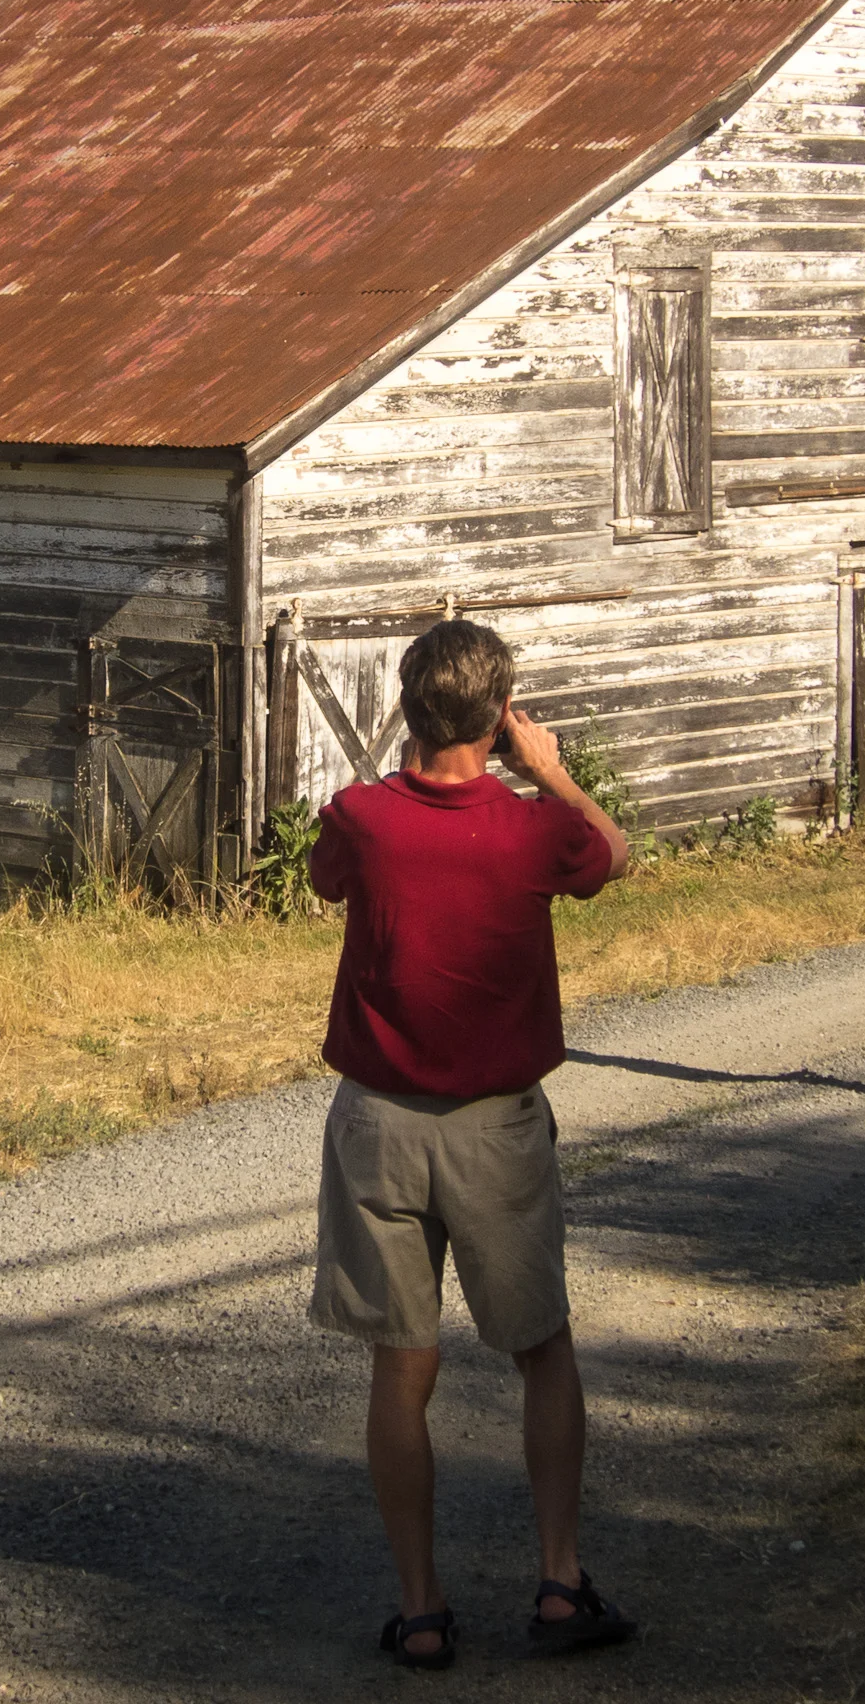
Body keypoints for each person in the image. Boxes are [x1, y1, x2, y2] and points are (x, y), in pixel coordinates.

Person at [304, 618, 640, 1671]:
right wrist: (554, 771)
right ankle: (558, 1577)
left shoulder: (362, 816)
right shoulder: (531, 826)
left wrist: (401, 771)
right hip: (496, 1123)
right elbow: (613, 852)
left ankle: (422, 1607)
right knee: (541, 1345)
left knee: (401, 1365)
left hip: (380, 1123)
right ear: (500, 719)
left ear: (407, 710)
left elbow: (326, 878)